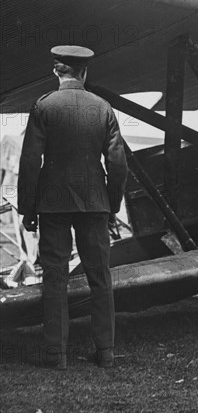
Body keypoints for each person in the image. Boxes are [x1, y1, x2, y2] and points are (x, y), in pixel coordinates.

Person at [17, 45, 128, 370]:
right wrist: (112, 203)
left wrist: (28, 208)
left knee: (55, 277)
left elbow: (29, 161)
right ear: (84, 72)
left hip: (52, 203)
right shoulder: (102, 107)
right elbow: (118, 162)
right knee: (99, 277)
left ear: (56, 70)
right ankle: (105, 352)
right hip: (95, 202)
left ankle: (57, 355)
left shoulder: (43, 106)